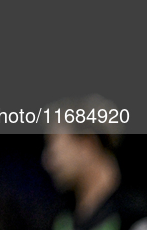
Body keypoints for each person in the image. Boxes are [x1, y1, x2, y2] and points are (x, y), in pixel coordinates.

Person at [42, 94, 147, 230]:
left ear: (87, 145)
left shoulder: (136, 219)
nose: (47, 162)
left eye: (53, 150)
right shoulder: (61, 220)